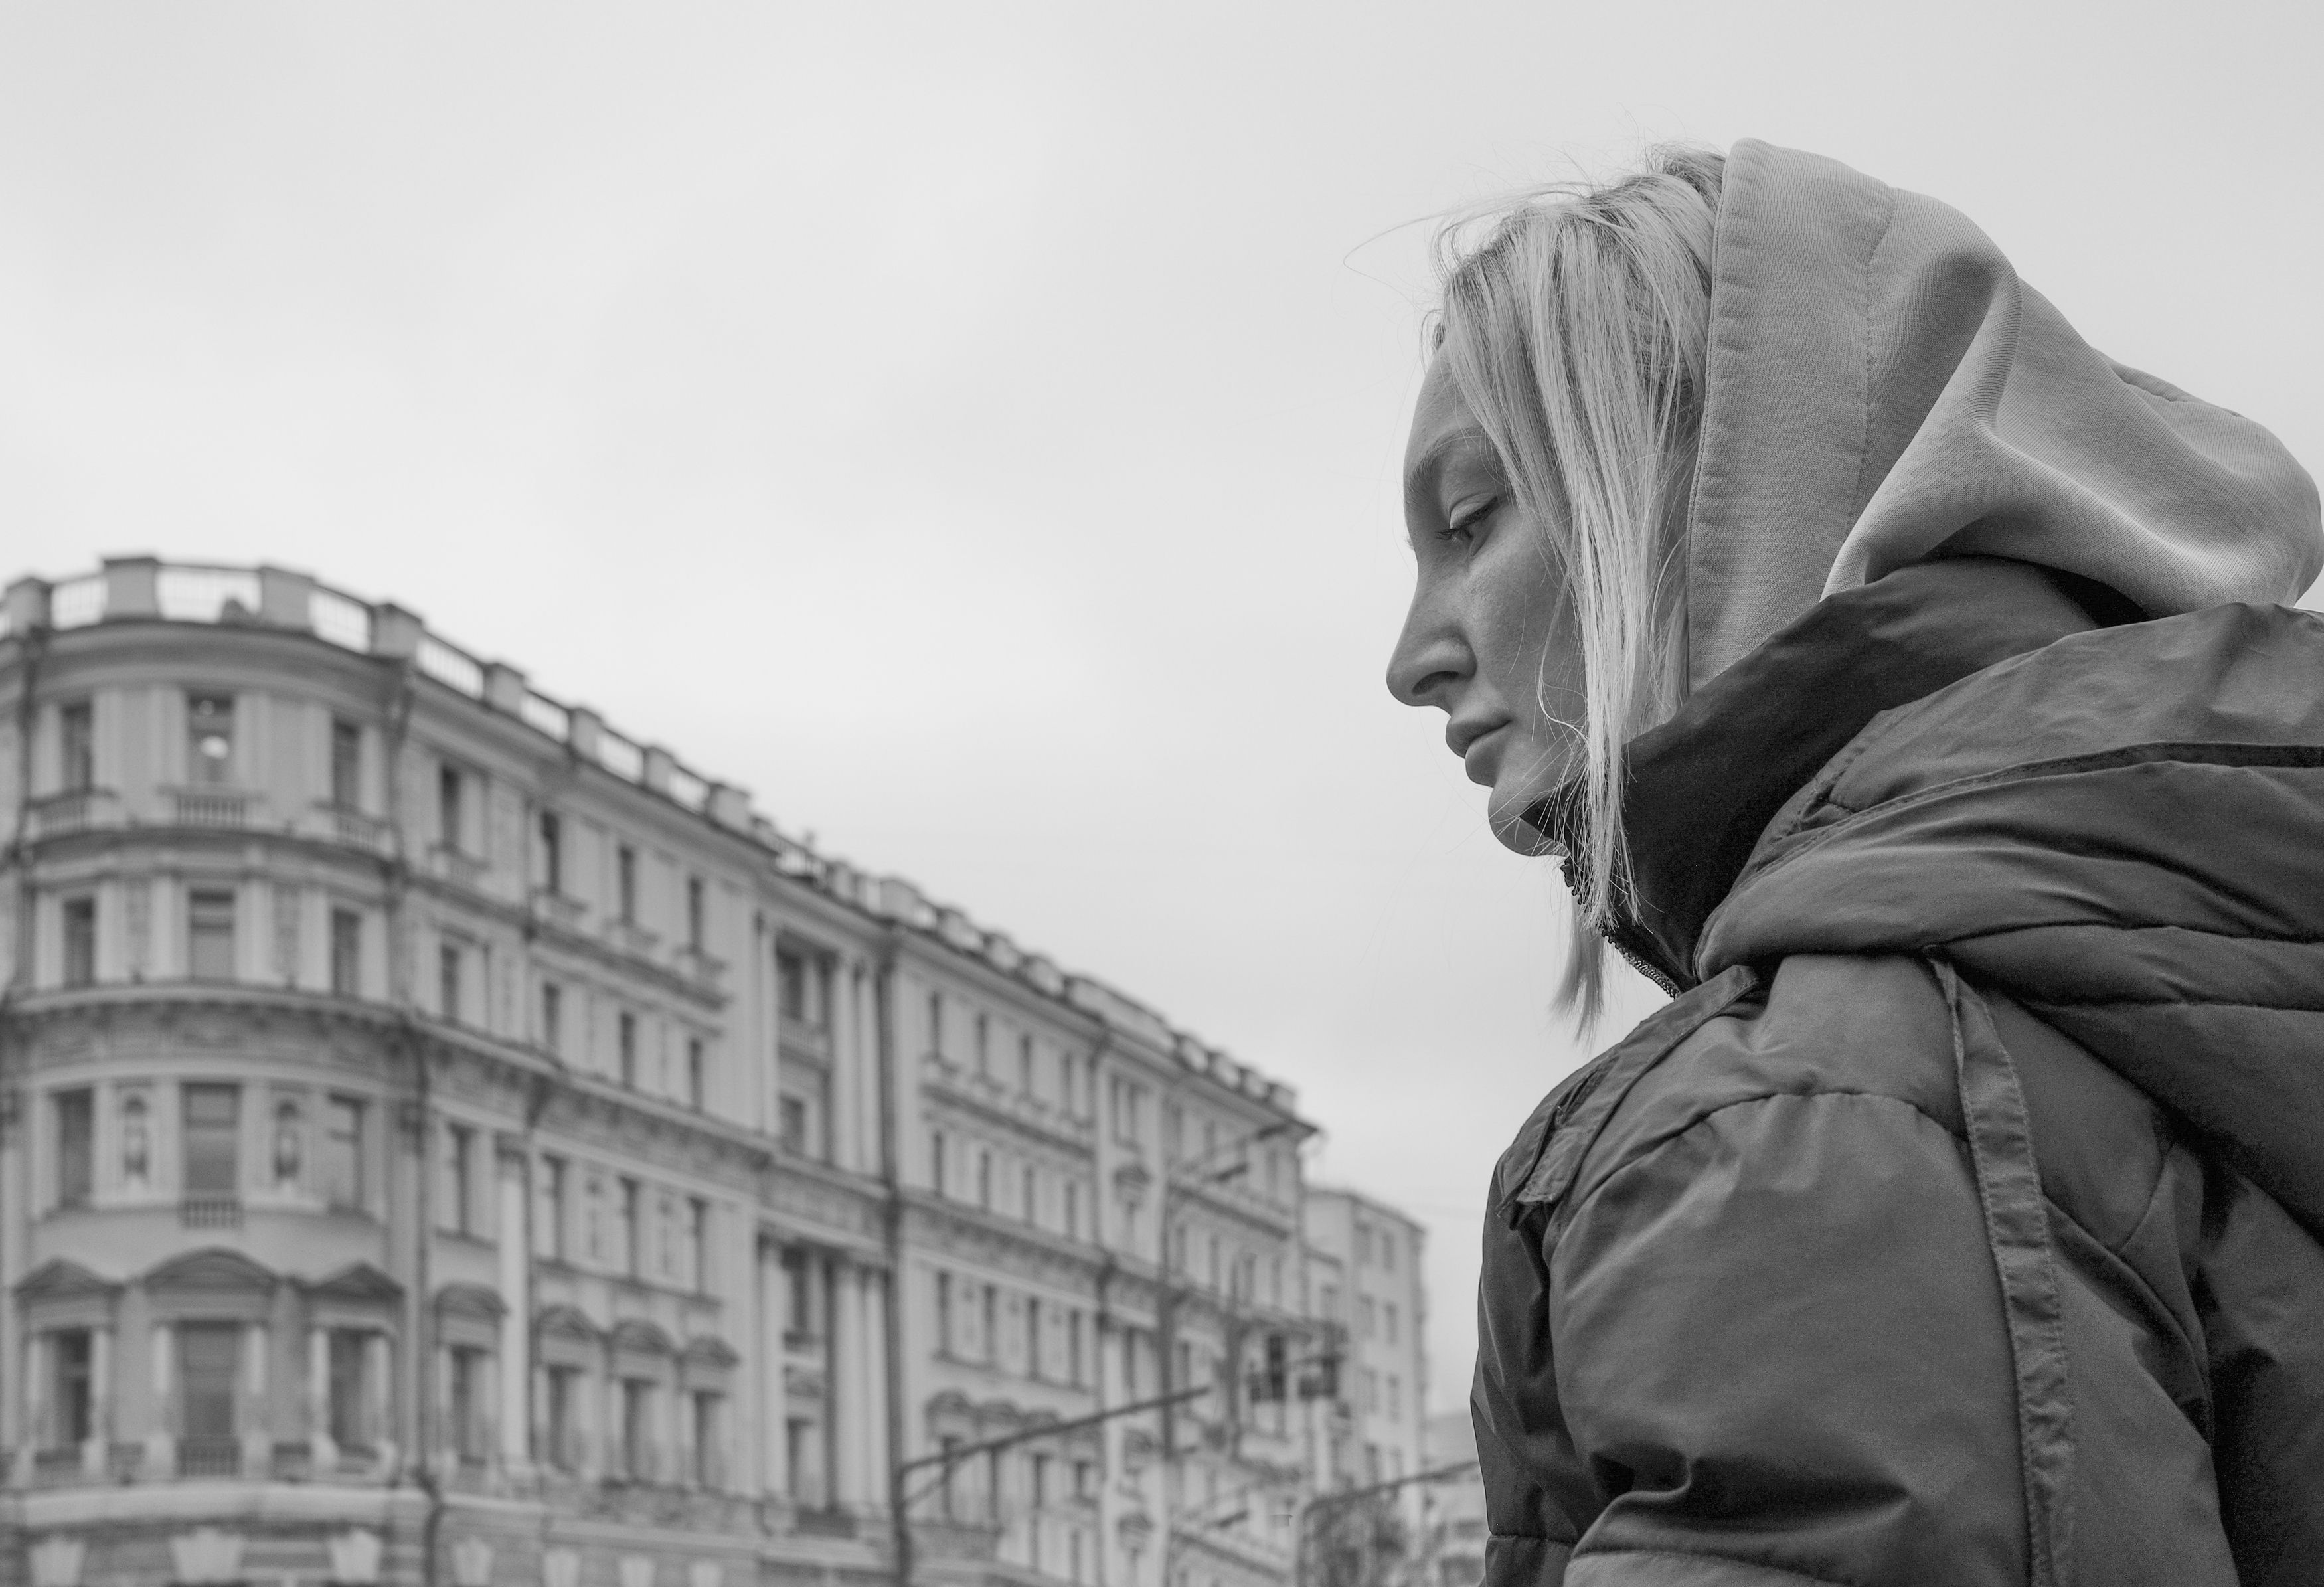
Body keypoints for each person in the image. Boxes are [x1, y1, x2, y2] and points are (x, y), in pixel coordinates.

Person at [1386, 141, 2324, 1586]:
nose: (1411, 658)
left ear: (1721, 504)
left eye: (1472, 523)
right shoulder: (2202, 976)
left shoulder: (1799, 1121)